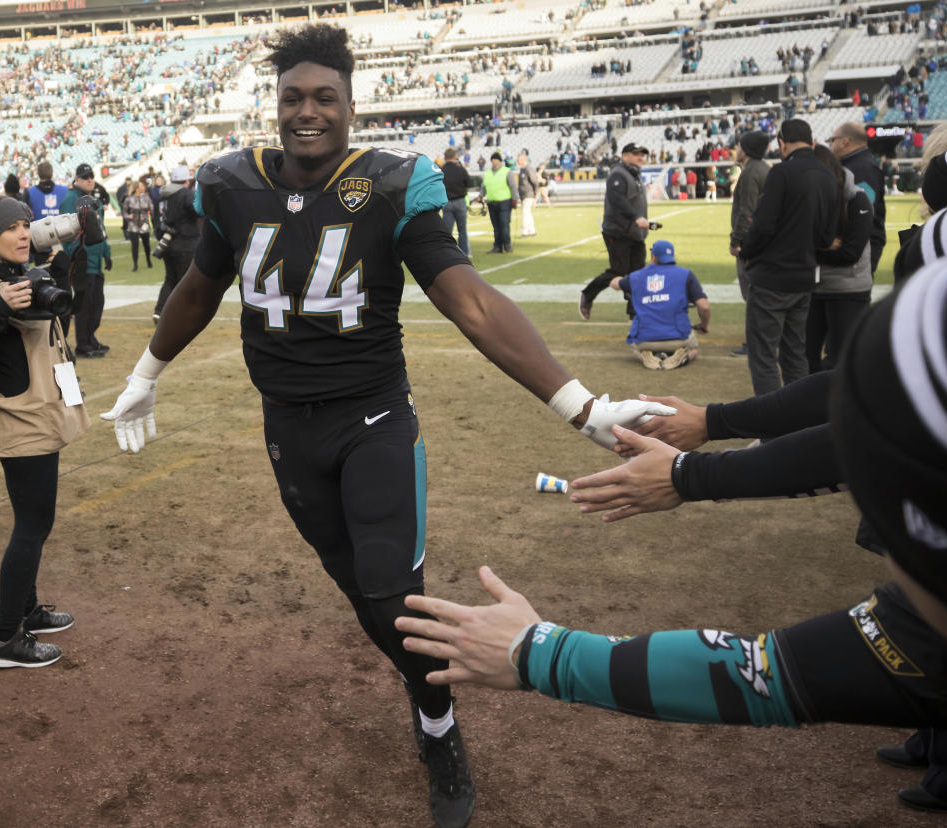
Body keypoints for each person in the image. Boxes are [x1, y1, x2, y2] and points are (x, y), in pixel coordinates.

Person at [98, 23, 669, 828]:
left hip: (372, 420)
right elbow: (199, 286)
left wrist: (583, 407)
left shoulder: (398, 183)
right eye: (292, 97)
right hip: (285, 427)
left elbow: (469, 300)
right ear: (275, 103)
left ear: (351, 106)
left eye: (323, 97)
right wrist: (144, 374)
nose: (307, 112)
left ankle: (437, 724)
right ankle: (422, 686)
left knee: (393, 594)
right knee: (365, 599)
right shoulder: (227, 182)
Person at [395, 197, 947, 809]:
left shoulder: (931, 630)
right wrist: (536, 651)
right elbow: (761, 672)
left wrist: (535, 653)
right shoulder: (934, 623)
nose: (887, 567)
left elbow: (754, 676)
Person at [0, 196, 89, 669]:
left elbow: (50, 318)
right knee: (32, 525)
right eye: (13, 227)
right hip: (18, 422)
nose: (24, 233)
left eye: (27, 224)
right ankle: (6, 639)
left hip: (34, 413)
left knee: (33, 521)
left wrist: (55, 267)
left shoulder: (6, 277)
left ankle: (26, 609)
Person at [741, 119, 839, 396]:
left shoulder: (782, 172)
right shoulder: (828, 175)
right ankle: (796, 425)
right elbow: (826, 237)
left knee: (763, 357)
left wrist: (746, 252)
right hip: (805, 277)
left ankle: (772, 433)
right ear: (811, 142)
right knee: (796, 355)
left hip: (773, 277)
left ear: (782, 143)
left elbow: (762, 226)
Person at [805, 146, 872, 373]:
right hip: (813, 288)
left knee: (841, 360)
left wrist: (813, 249)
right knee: (805, 356)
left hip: (848, 290)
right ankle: (810, 405)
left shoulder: (858, 200)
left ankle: (834, 406)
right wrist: (823, 246)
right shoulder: (812, 199)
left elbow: (850, 254)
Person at [578, 143, 652, 321]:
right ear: (625, 156)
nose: (641, 157)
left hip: (635, 233)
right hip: (618, 232)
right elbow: (617, 199)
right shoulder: (618, 174)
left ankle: (635, 314)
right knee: (618, 271)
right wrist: (636, 217)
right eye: (636, 154)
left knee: (638, 273)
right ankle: (588, 294)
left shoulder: (634, 174)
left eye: (642, 154)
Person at [610, 239, 709, 370]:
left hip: (645, 340)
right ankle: (682, 357)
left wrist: (618, 275)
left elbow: (615, 284)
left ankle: (645, 356)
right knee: (694, 350)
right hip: (679, 339)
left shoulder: (637, 276)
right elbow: (704, 306)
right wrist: (704, 325)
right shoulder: (686, 275)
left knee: (635, 350)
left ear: (653, 257)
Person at [61, 164, 112, 358]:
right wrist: (75, 254)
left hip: (95, 259)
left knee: (97, 303)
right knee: (85, 305)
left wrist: (106, 251)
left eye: (91, 176)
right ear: (77, 179)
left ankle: (90, 338)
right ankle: (83, 344)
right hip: (83, 260)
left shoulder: (91, 201)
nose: (90, 179)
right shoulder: (70, 201)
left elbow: (100, 228)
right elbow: (66, 232)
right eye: (85, 177)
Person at [728, 131, 770, 357]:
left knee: (753, 295)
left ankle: (755, 343)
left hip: (750, 245)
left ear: (747, 148)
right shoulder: (763, 168)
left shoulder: (751, 172)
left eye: (740, 145)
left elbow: (747, 213)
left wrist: (737, 241)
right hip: (762, 242)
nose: (737, 148)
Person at [827, 122, 887, 271]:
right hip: (857, 249)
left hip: (858, 252)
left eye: (832, 139)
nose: (830, 144)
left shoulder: (861, 168)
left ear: (844, 141)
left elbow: (863, 213)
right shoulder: (856, 165)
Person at [153, 165, 200, 324]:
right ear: (187, 180)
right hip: (185, 243)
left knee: (170, 279)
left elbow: (157, 219)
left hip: (167, 242)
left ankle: (159, 311)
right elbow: (197, 211)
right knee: (184, 281)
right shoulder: (186, 194)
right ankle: (180, 316)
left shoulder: (162, 194)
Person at [479, 151, 515, 253]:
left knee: (504, 224)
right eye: (492, 159)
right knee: (496, 226)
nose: (494, 161)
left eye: (496, 159)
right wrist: (480, 196)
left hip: (504, 201)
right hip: (491, 202)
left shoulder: (507, 171)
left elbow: (513, 186)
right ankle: (497, 246)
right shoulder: (487, 173)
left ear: (500, 161)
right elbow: (483, 187)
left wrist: (515, 199)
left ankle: (507, 245)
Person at [439, 148, 471, 257]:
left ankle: (448, 253)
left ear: (445, 157)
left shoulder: (441, 170)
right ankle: (465, 253)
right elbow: (469, 183)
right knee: (462, 230)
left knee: (448, 231)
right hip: (460, 201)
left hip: (447, 202)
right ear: (455, 157)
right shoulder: (460, 169)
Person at [123, 179, 154, 273]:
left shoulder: (147, 197)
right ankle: (135, 264)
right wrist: (129, 216)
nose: (144, 187)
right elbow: (124, 211)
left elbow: (151, 208)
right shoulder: (129, 199)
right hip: (133, 225)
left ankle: (148, 260)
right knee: (134, 245)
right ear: (137, 188)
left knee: (146, 245)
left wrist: (150, 215)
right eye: (141, 186)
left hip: (144, 224)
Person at [516, 154, 539, 238]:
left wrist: (536, 194)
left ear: (523, 160)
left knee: (525, 212)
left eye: (518, 160)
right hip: (523, 195)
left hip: (528, 194)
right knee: (528, 213)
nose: (517, 162)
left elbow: (535, 182)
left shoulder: (528, 169)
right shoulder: (522, 169)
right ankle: (532, 230)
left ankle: (525, 231)